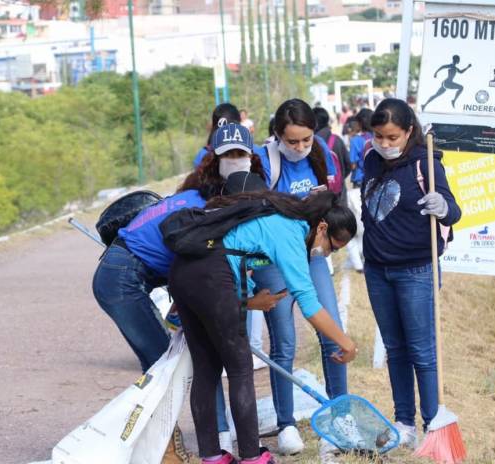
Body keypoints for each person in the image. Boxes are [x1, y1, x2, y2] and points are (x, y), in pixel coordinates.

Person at [92, 123, 267, 459]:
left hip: (130, 271)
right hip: (122, 276)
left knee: (170, 365)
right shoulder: (203, 204)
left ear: (251, 158)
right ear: (213, 161)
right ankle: (164, 451)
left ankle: (170, 447)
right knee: (162, 368)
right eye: (227, 155)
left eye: (240, 154)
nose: (235, 160)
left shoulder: (198, 196)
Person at [169, 190, 358, 464]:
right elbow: (310, 305)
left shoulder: (279, 217)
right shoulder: (292, 232)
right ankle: (251, 457)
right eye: (334, 246)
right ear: (322, 227)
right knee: (240, 368)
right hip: (209, 275)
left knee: (206, 368)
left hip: (184, 273)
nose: (328, 253)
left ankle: (211, 456)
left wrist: (250, 302)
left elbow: (233, 260)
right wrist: (346, 343)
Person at [361, 98, 461, 448]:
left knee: (422, 350)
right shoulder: (371, 160)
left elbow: (455, 212)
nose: (384, 144)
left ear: (408, 131)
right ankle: (404, 422)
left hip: (416, 269)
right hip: (376, 270)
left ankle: (433, 424)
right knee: (395, 349)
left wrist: (443, 206)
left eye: (391, 137)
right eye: (378, 136)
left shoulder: (426, 163)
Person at [253, 98, 348, 456]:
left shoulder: (320, 152)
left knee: (332, 331)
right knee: (285, 342)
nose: (300, 148)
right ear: (277, 135)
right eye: (292, 141)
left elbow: (334, 197)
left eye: (305, 140)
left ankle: (340, 413)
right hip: (274, 258)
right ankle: (286, 422)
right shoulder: (264, 161)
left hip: (310, 254)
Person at [345, 108, 373, 273]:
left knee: (358, 223)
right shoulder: (377, 138)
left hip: (359, 184)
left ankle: (360, 260)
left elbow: (353, 164)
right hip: (376, 183)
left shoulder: (356, 140)